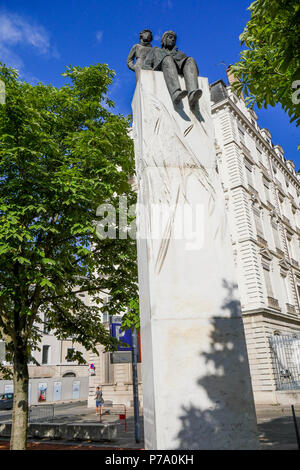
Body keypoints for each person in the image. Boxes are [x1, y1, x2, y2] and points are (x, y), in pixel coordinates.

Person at [142, 30, 202, 107]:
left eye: (174, 39)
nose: (173, 40)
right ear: (164, 39)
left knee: (190, 60)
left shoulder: (180, 54)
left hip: (178, 69)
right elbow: (145, 66)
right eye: (170, 37)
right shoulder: (156, 50)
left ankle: (192, 94)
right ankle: (175, 93)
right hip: (161, 69)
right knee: (168, 59)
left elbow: (191, 70)